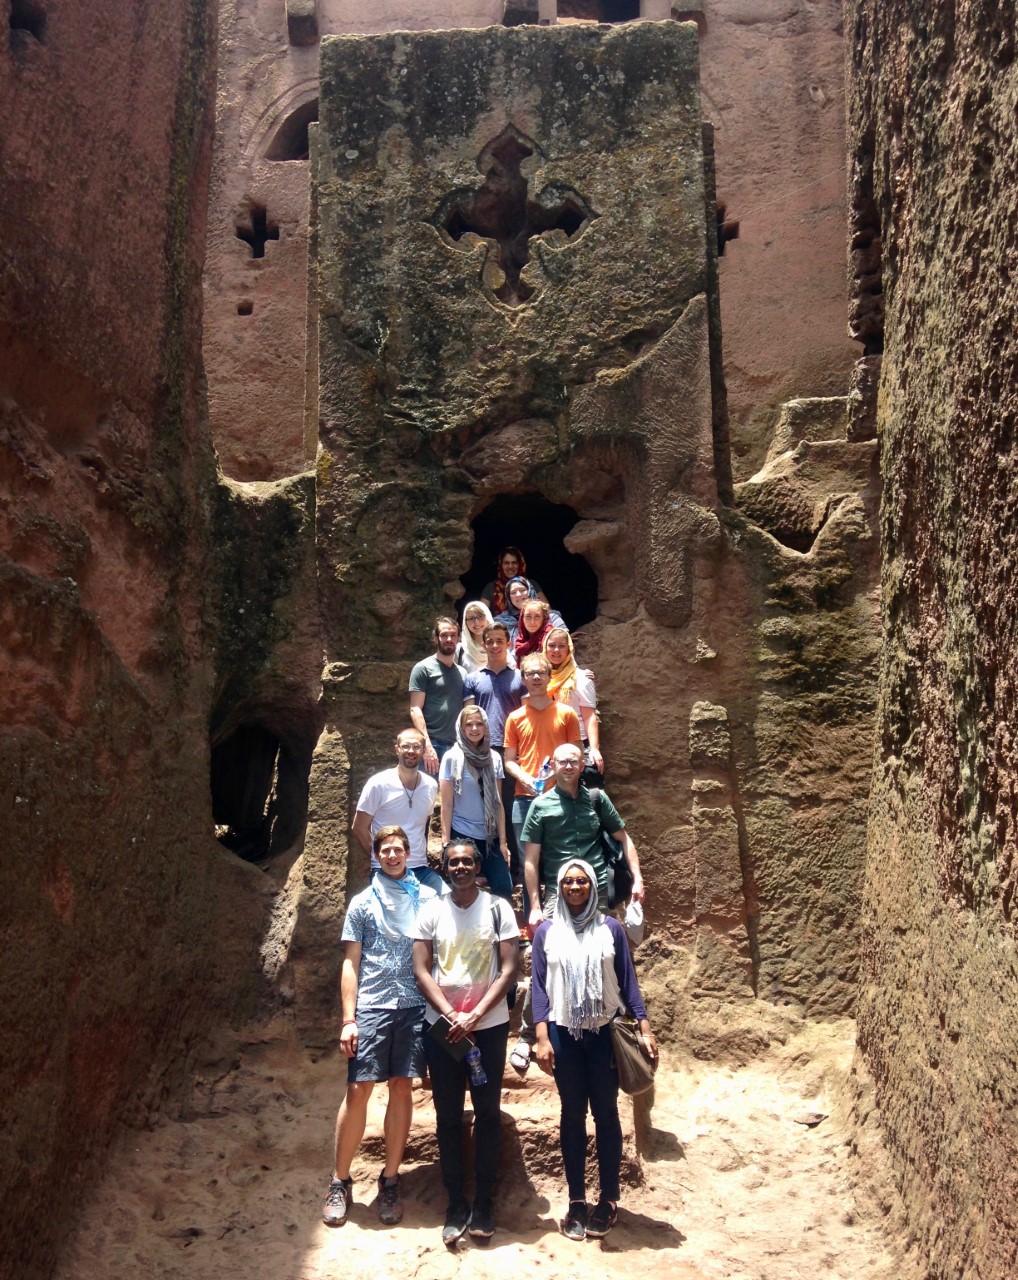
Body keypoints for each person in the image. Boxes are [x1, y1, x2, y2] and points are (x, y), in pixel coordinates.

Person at [532, 858, 658, 1241]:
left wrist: (645, 1026)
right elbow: (538, 987)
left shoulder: (611, 929)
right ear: (560, 886)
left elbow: (628, 981)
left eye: (581, 881)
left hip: (604, 1033)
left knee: (605, 1114)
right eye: (568, 881)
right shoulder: (547, 933)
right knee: (572, 1114)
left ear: (592, 886)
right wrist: (540, 1036)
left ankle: (609, 1199)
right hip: (563, 1033)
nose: (574, 887)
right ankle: (575, 1201)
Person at [322, 826, 438, 1228]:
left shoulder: (427, 898)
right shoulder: (362, 903)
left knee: (402, 1086)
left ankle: (390, 1179)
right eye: (385, 850)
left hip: (413, 1005)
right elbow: (350, 963)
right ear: (376, 855)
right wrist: (348, 1019)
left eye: (398, 850)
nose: (391, 856)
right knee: (358, 1090)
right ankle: (340, 1180)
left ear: (409, 854)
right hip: (372, 1004)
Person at [413, 840, 519, 1243]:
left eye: (467, 861)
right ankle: (456, 1200)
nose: (460, 867)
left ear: (478, 867)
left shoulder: (498, 908)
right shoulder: (431, 911)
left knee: (488, 1112)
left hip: (487, 1027)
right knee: (447, 1116)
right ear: (443, 868)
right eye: (453, 861)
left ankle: (485, 1202)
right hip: (442, 1028)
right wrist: (450, 1014)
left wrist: (474, 1015)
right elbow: (421, 969)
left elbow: (509, 968)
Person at [522, 742, 644, 931]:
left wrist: (638, 880)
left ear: (581, 765)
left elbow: (624, 838)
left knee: (602, 952)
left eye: (573, 761)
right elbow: (531, 859)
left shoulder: (597, 798)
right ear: (554, 766)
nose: (568, 766)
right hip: (558, 891)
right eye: (563, 762)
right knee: (556, 953)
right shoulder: (540, 806)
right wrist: (535, 907)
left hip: (597, 889)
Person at [503, 653, 582, 884]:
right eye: (530, 673)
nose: (536, 677)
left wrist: (557, 775)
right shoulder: (515, 718)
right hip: (524, 797)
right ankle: (533, 918)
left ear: (549, 676)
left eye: (541, 673)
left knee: (562, 861)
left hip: (561, 796)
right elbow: (509, 760)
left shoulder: (566, 714)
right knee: (528, 864)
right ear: (523, 679)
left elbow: (577, 755)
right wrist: (526, 778)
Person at [463, 622, 526, 883]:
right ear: (483, 644)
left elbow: (526, 716)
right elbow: (467, 717)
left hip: (512, 750)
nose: (495, 645)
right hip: (482, 751)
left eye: (500, 640)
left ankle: (515, 868)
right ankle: (483, 866)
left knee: (510, 808)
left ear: (508, 643)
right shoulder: (473, 679)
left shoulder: (520, 677)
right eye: (490, 641)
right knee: (481, 807)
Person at [351, 729, 444, 894]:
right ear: (397, 749)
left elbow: (423, 826)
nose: (410, 751)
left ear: (423, 751)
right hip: (387, 869)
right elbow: (359, 827)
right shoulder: (378, 784)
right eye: (405, 746)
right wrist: (380, 857)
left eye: (416, 747)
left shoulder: (431, 785)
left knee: (447, 902)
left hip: (420, 868)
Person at [439, 706, 512, 899]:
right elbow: (446, 804)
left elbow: (497, 803)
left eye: (479, 723)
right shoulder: (451, 758)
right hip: (462, 834)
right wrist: (446, 843)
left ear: (486, 726)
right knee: (462, 887)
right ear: (461, 728)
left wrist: (503, 842)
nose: (474, 729)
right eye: (468, 724)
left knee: (504, 887)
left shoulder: (494, 758)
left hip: (489, 837)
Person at [409, 617, 467, 775]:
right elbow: (415, 709)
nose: (449, 639)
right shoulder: (423, 668)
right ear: (436, 638)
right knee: (427, 795)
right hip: (432, 743)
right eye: (444, 635)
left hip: (456, 746)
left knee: (455, 798)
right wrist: (427, 746)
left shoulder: (463, 673)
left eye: (453, 635)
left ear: (459, 638)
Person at [544, 627, 604, 777]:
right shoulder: (539, 677)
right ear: (544, 648)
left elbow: (590, 716)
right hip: (547, 739)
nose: (556, 650)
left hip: (576, 741)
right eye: (551, 645)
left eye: (562, 646)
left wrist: (594, 749)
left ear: (569, 649)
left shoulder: (581, 678)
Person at [493, 576, 565, 646]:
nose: (518, 594)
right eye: (513, 592)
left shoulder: (551, 617)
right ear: (509, 597)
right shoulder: (500, 623)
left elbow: (565, 641)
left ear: (530, 591)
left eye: (522, 590)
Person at [480, 545, 546, 614]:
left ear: (520, 565)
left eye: (514, 563)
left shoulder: (531, 584)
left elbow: (547, 612)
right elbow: (480, 614)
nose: (510, 566)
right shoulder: (491, 588)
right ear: (500, 565)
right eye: (506, 563)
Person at [456, 601, 496, 674]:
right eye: (471, 618)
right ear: (465, 622)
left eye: (480, 616)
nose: (477, 622)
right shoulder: (460, 650)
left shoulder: (499, 646)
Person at [513, 598, 555, 665]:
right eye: (528, 616)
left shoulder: (551, 637)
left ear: (543, 619)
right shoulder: (520, 640)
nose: (532, 622)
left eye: (537, 616)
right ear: (522, 618)